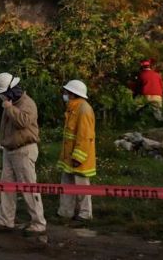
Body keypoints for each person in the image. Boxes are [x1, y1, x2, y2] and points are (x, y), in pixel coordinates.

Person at [0, 73, 47, 236]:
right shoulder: (11, 103)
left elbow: (22, 122)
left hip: (23, 150)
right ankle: (5, 221)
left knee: (29, 188)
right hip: (10, 150)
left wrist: (9, 108)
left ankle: (38, 223)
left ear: (12, 89)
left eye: (3, 93)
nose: (2, 97)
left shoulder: (27, 104)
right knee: (6, 187)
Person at [57, 80, 96, 224]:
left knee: (82, 186)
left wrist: (78, 156)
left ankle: (85, 214)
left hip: (79, 157)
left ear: (73, 93)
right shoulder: (73, 108)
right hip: (69, 156)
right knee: (67, 184)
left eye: (67, 92)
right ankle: (65, 212)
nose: (65, 94)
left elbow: (85, 136)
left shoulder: (84, 110)